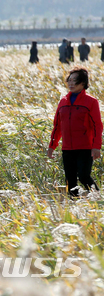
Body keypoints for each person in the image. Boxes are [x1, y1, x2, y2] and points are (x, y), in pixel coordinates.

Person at [47, 66, 102, 198]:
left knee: (83, 176)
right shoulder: (63, 101)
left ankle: (99, 198)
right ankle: (74, 207)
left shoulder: (91, 102)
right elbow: (57, 126)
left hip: (85, 148)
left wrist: (96, 147)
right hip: (67, 149)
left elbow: (97, 126)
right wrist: (51, 146)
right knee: (70, 180)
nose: (70, 84)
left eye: (74, 81)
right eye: (69, 80)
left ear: (83, 83)